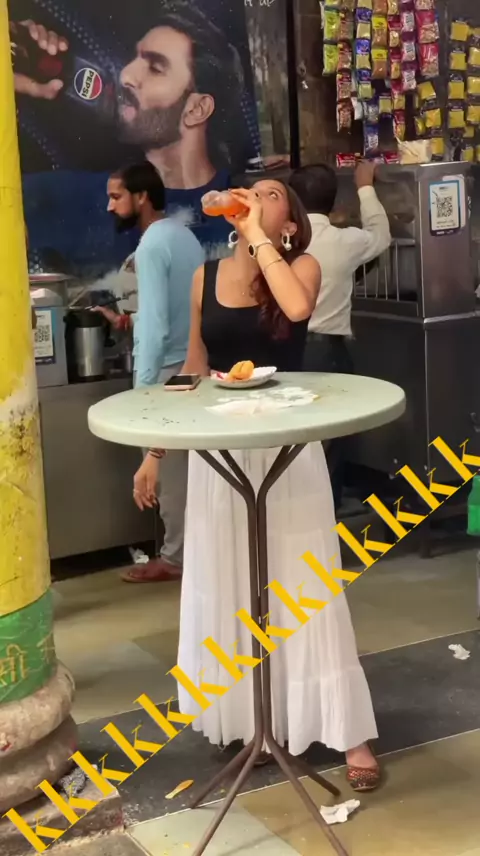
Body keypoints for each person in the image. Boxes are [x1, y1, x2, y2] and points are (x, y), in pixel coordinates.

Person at [132, 180, 381, 790]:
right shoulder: (206, 276)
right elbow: (194, 367)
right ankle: (257, 719)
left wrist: (256, 237)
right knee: (232, 581)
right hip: (221, 448)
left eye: (270, 195)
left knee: (303, 581)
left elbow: (296, 310)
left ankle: (348, 730)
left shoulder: (303, 266)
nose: (254, 197)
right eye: (251, 192)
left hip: (286, 443)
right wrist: (155, 450)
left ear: (289, 222)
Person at [14, 3, 255, 263]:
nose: (126, 75)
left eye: (155, 68)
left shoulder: (246, 213)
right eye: (135, 57)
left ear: (197, 109)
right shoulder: (78, 198)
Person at [99, 161, 204, 582]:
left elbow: (159, 324)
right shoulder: (182, 235)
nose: (110, 206)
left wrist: (142, 392)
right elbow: (174, 310)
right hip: (191, 365)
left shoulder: (151, 246)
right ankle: (186, 553)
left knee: (168, 475)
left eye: (116, 196)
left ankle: (174, 559)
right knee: (184, 471)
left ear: (141, 196)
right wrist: (130, 321)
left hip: (164, 373)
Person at [289, 161, 391, 510]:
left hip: (286, 352)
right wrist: (365, 187)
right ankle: (325, 521)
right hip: (326, 354)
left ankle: (295, 517)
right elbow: (381, 236)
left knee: (293, 441)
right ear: (332, 201)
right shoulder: (343, 240)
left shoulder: (281, 242)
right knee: (329, 442)